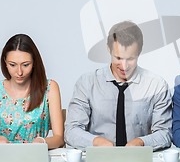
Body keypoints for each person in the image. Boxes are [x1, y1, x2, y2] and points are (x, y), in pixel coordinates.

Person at [65, 21, 172, 150]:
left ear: (140, 52)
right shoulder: (87, 83)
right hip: (98, 158)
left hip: (139, 159)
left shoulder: (156, 85)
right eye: (118, 58)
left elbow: (164, 133)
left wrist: (141, 142)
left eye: (131, 59)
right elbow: (72, 131)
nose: (124, 66)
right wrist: (96, 142)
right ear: (108, 49)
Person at [0, 34, 64, 149]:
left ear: (34, 62)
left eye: (25, 65)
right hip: (3, 159)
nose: (19, 72)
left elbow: (59, 138)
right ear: (5, 62)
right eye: (12, 65)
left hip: (36, 157)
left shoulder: (49, 88)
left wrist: (41, 142)